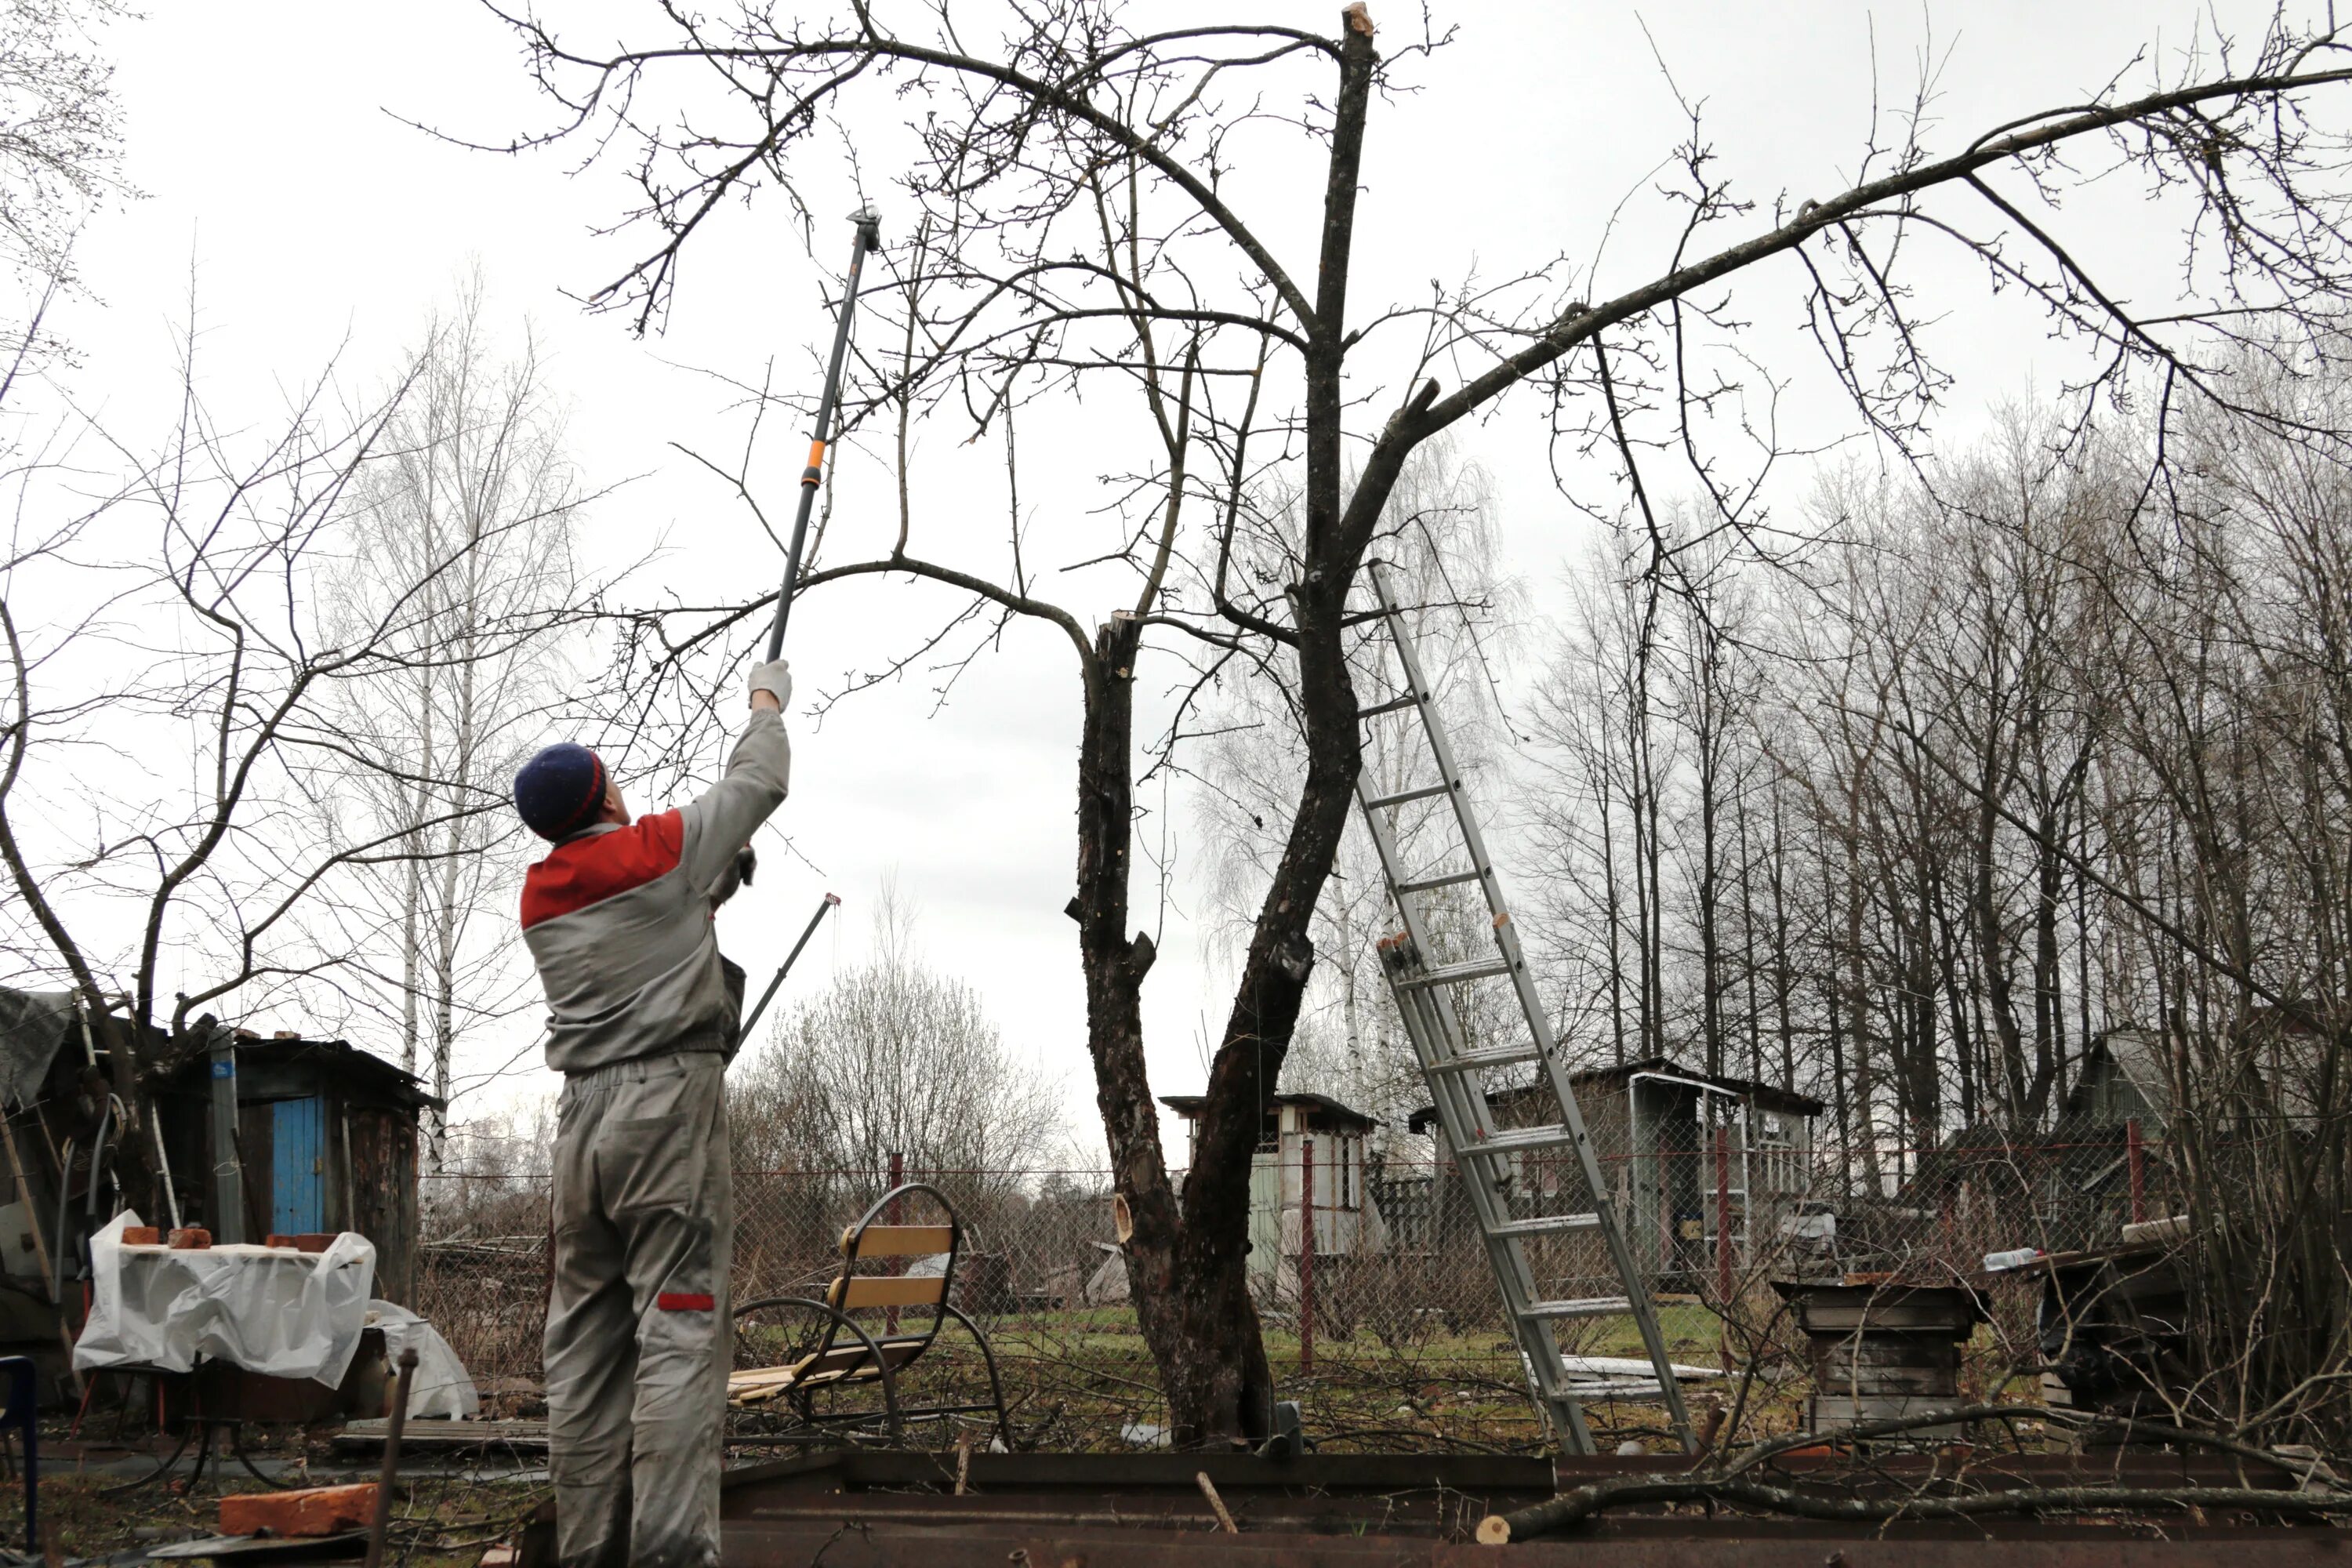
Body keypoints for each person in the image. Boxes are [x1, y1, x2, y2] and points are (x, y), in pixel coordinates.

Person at [510, 657, 792, 1568]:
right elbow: (760, 779)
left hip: (582, 1128)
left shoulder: (543, 893)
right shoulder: (659, 848)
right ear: (603, 792)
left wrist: (710, 886)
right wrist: (764, 698)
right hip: (664, 1111)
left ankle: (590, 1549)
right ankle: (670, 1552)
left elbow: (642, 925)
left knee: (586, 1347)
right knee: (677, 1323)